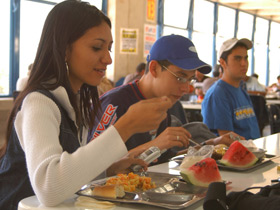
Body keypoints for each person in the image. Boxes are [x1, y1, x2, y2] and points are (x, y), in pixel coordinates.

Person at [0, 1, 173, 209]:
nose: (108, 58)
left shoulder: (74, 103)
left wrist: (107, 171)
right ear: (64, 48)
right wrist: (126, 127)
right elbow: (48, 187)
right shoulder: (39, 102)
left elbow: (68, 173)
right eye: (97, 47)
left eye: (109, 48)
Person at [89, 35, 241, 164]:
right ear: (154, 68)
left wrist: (210, 144)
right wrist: (155, 144)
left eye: (190, 80)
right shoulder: (114, 103)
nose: (186, 88)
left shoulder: (167, 102)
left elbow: (162, 161)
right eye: (180, 78)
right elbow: (91, 167)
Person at [201, 38, 261, 140]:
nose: (243, 63)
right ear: (223, 63)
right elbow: (227, 139)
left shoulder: (241, 89)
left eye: (245, 58)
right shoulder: (218, 94)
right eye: (237, 58)